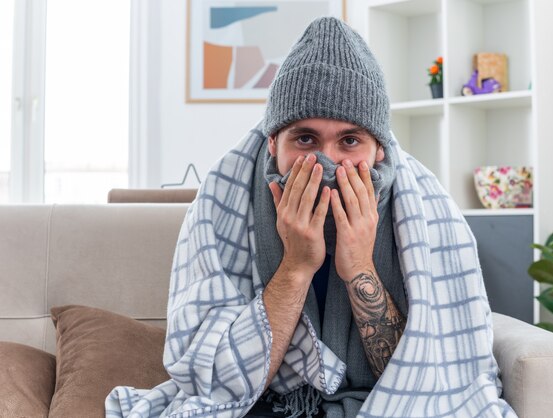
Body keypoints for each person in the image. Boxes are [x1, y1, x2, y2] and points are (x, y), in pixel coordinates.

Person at [106, 16, 517, 418]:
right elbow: (217, 384)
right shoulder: (222, 199)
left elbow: (423, 384)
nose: (327, 162)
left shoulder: (426, 208)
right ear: (272, 143)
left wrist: (359, 265)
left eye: (349, 141)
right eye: (305, 139)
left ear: (380, 150)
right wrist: (297, 266)